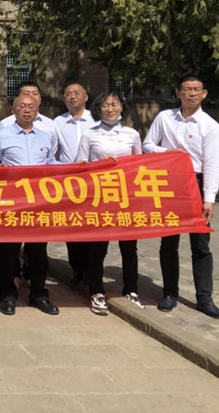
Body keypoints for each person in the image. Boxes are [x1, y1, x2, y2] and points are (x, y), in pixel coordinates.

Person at [142, 74, 219, 320]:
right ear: (178, 93)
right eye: (187, 89)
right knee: (169, 242)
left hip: (196, 184)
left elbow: (212, 165)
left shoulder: (210, 126)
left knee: (200, 244)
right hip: (169, 183)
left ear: (204, 94)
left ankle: (204, 298)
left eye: (196, 89)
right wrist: (169, 152)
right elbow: (147, 145)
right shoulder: (164, 118)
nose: (192, 93)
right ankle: (169, 293)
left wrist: (209, 199)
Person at [0, 93, 59, 316]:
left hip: (38, 203)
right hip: (11, 202)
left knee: (38, 252)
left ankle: (39, 295)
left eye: (31, 107)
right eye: (22, 106)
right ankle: (8, 296)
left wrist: (77, 167)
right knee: (8, 252)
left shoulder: (45, 137)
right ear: (13, 110)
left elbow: (52, 163)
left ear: (37, 112)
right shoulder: (1, 136)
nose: (27, 110)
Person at [76, 91, 143, 315]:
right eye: (105, 105)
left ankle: (131, 289)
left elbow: (140, 165)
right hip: (100, 198)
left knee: (129, 247)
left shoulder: (132, 134)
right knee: (97, 248)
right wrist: (98, 165)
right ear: (98, 109)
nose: (110, 109)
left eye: (115, 104)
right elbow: (80, 164)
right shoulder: (89, 134)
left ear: (122, 107)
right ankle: (96, 291)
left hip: (126, 198)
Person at [54, 82, 95, 286]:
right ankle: (77, 269)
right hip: (69, 182)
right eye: (68, 94)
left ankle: (91, 269)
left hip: (94, 181)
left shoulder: (97, 119)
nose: (72, 97)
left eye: (77, 93)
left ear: (85, 97)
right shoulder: (58, 122)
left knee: (91, 226)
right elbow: (54, 151)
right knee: (72, 227)